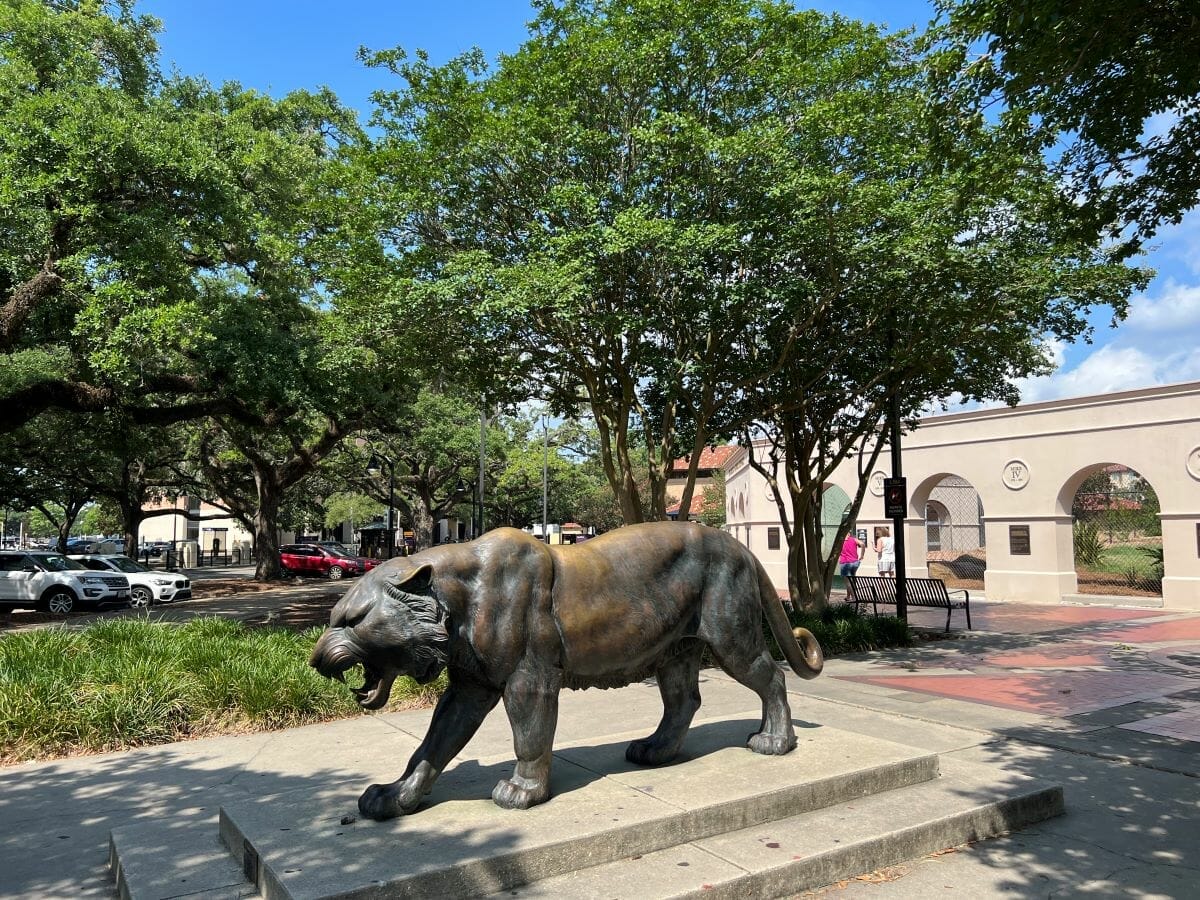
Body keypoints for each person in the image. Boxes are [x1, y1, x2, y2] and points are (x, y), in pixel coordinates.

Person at [838, 529, 864, 599]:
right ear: (849, 534)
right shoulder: (854, 539)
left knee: (848, 582)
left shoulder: (840, 541)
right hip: (855, 563)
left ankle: (854, 597)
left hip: (845, 563)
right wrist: (862, 555)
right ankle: (848, 596)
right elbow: (862, 544)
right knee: (852, 579)